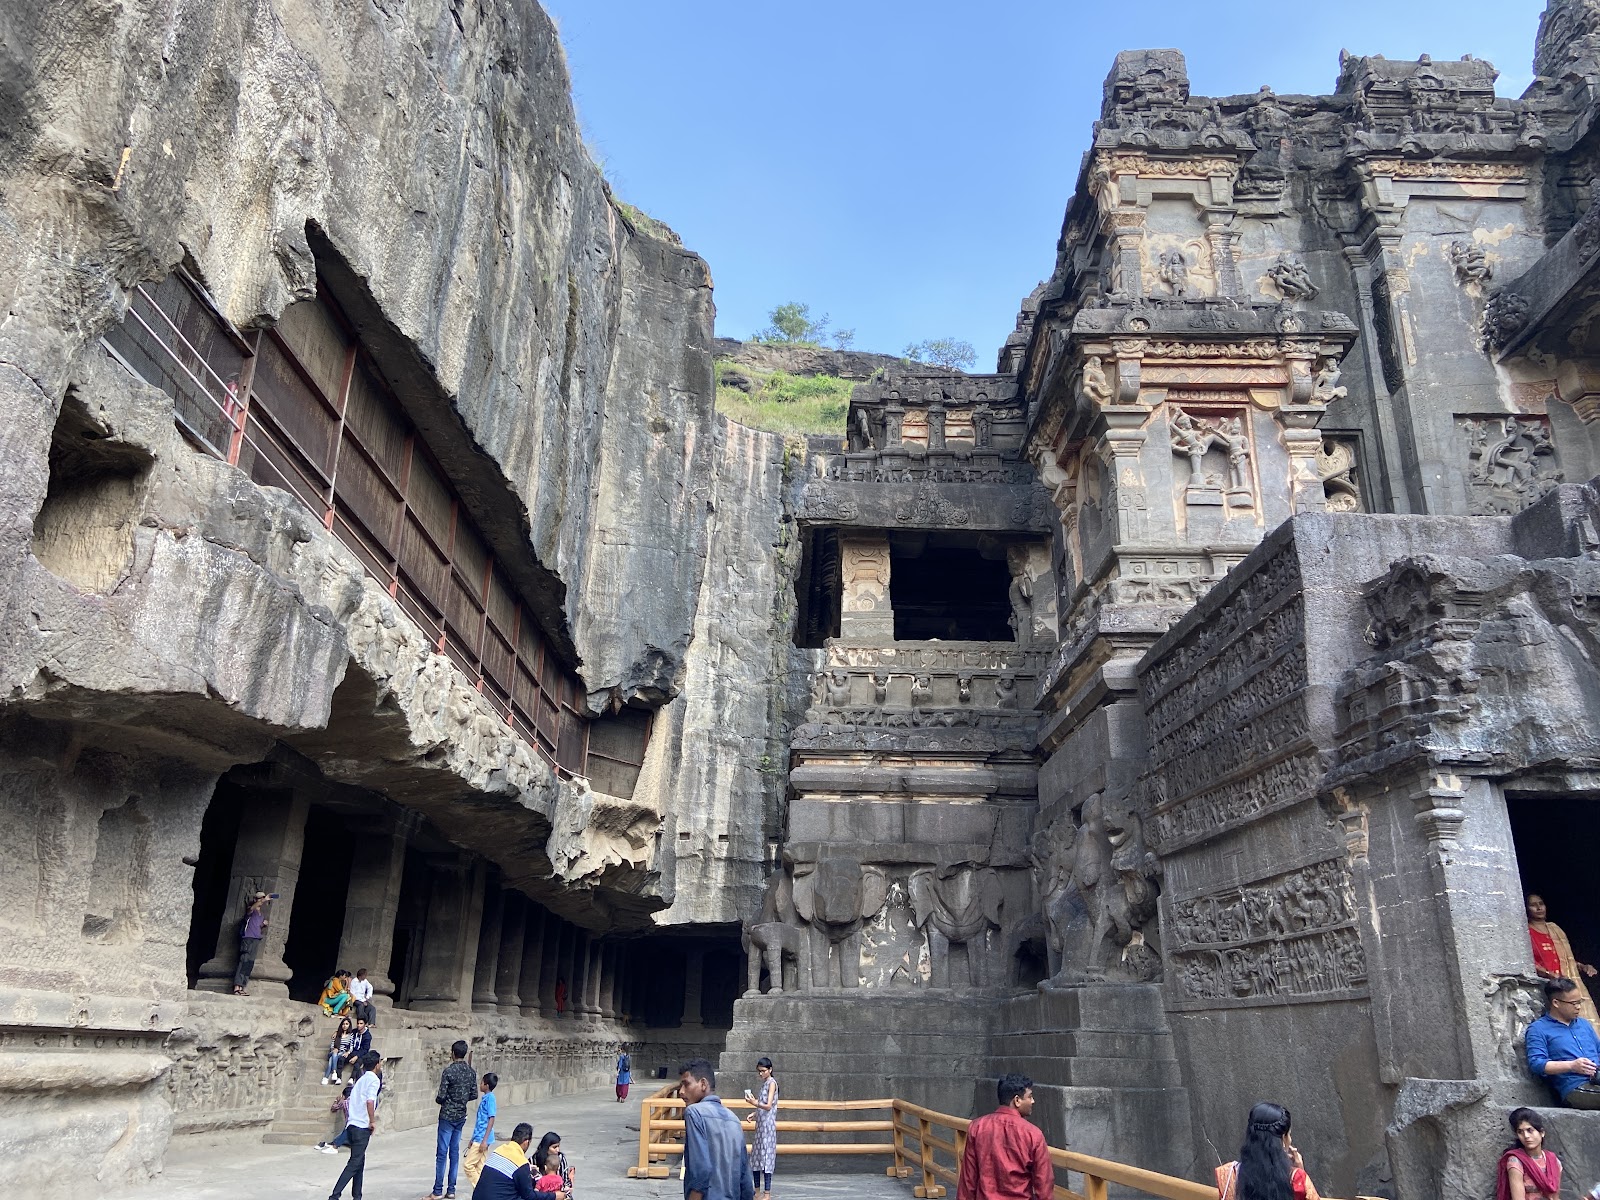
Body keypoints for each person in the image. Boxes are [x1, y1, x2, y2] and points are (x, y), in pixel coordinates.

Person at [956, 1073, 1052, 1200]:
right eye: (1030, 1096)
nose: (1033, 1101)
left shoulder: (977, 1127)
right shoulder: (1033, 1134)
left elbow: (968, 1180)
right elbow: (1044, 1184)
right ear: (1017, 1100)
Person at [678, 1058, 753, 1200]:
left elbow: (701, 1169)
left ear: (703, 1084)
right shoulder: (733, 1118)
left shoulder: (694, 1112)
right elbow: (745, 1178)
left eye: (686, 1084)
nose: (681, 1091)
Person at [1216, 1102, 1319, 1200]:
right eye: (1289, 1134)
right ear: (1283, 1138)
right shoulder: (1296, 1178)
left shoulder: (1228, 1174)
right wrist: (1299, 1175)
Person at [1525, 977, 1600, 1106]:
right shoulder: (1538, 1029)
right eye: (1573, 1003)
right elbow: (1536, 1063)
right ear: (1556, 1003)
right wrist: (1572, 1065)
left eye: (1580, 1002)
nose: (1578, 1007)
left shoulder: (1584, 1024)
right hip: (1575, 1087)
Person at [1526, 895, 1599, 1024]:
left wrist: (1582, 966)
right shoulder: (1526, 932)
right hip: (1546, 987)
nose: (1539, 908)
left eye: (1541, 903)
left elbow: (1564, 960)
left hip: (1566, 984)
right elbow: (1527, 963)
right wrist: (1549, 974)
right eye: (1533, 905)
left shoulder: (1555, 929)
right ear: (1526, 908)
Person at [328, 1050, 382, 1200]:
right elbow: (370, 1101)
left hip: (352, 1124)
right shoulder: (374, 1080)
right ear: (376, 1065)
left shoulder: (361, 1079)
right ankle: (334, 1196)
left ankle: (357, 1196)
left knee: (359, 1162)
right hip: (362, 1127)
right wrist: (372, 1121)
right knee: (354, 1163)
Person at [472, 1122, 568, 1200]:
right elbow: (529, 1196)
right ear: (526, 1142)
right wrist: (554, 1196)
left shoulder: (498, 1150)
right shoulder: (521, 1163)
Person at [433, 1039, 478, 1198]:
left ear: (453, 1053)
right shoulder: (471, 1072)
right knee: (454, 1153)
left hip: (447, 1115)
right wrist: (461, 1099)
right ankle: (451, 1190)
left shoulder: (449, 1072)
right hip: (460, 1115)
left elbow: (441, 1096)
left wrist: (444, 1100)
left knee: (442, 1154)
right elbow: (474, 1094)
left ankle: (438, 1190)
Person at [1496, 1108, 1561, 1200]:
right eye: (1520, 1132)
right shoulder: (1516, 1162)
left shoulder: (1554, 1161)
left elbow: (1555, 1197)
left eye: (1530, 1130)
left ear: (1542, 1133)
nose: (1526, 1136)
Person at [742, 1058, 778, 1200]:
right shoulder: (764, 1084)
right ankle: (757, 1191)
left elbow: (768, 1106)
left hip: (768, 1127)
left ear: (770, 1070)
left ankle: (767, 1192)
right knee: (756, 1157)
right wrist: (755, 1113)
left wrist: (754, 1102)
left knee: (767, 1157)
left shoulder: (772, 1083)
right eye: (759, 1071)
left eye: (763, 1071)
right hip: (761, 1125)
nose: (761, 1074)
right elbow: (763, 1106)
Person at [462, 1073, 500, 1187]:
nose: (480, 1084)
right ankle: (483, 1191)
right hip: (479, 1137)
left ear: (487, 1085)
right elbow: (480, 1122)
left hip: (482, 1138)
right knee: (480, 1167)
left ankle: (481, 1189)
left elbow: (491, 1119)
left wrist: (484, 1140)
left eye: (482, 1082)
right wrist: (472, 1138)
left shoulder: (490, 1099)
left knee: (468, 1166)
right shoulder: (486, 1098)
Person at [233, 892, 272, 996]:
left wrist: (263, 924)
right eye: (260, 898)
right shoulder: (251, 910)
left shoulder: (261, 915)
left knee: (249, 963)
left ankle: (242, 986)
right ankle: (237, 987)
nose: (262, 900)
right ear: (255, 899)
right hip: (248, 938)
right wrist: (265, 899)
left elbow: (256, 926)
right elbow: (252, 908)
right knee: (244, 960)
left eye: (263, 898)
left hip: (256, 939)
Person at [534, 1132, 576, 1198]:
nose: (558, 1150)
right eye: (554, 1147)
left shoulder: (561, 1158)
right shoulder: (534, 1159)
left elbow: (565, 1181)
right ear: (546, 1148)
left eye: (558, 1146)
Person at [318, 1085, 355, 1154]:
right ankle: (338, 1143)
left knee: (347, 1131)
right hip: (359, 1121)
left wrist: (336, 1100)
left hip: (351, 1122)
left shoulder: (344, 1102)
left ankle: (335, 1146)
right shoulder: (356, 1100)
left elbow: (334, 1108)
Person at [336, 1017, 373, 1082]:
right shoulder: (354, 1031)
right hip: (352, 1051)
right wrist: (336, 1032)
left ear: (365, 1024)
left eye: (361, 1023)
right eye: (358, 1023)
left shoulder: (367, 1036)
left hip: (361, 1054)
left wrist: (356, 1056)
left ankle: (352, 1078)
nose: (359, 1025)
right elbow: (345, 1031)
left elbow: (365, 1049)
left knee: (357, 1064)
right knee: (341, 1059)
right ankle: (338, 1077)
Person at [324, 1016, 355, 1085]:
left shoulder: (351, 1035)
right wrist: (333, 1049)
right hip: (334, 1051)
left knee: (331, 1060)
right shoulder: (337, 1034)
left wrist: (348, 1052)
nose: (345, 1026)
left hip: (342, 1052)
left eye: (347, 1024)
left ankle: (326, 1077)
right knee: (334, 1053)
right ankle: (334, 1072)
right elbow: (332, 1044)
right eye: (343, 1024)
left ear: (349, 1025)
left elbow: (351, 1046)